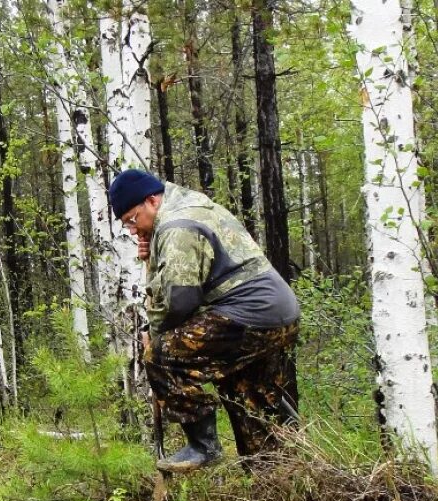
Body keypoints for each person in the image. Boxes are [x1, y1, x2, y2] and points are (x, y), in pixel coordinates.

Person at [109, 169, 300, 472]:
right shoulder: (187, 206)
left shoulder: (176, 227)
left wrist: (155, 334)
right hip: (276, 312)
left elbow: (179, 300)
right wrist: (153, 253)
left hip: (248, 313)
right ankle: (277, 485)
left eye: (133, 220)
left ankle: (203, 445)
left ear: (151, 201)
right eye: (126, 226)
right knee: (247, 398)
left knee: (161, 357)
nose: (132, 230)